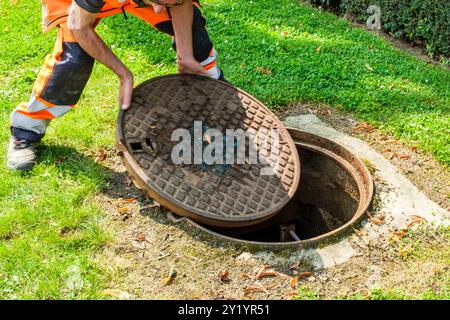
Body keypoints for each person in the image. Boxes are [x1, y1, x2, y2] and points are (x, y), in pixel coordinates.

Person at [7, 0, 225, 171]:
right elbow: (79, 26)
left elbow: (180, 2)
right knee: (74, 62)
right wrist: (124, 75)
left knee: (192, 28)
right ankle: (25, 131)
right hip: (74, 5)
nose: (159, 10)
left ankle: (214, 90)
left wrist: (186, 54)